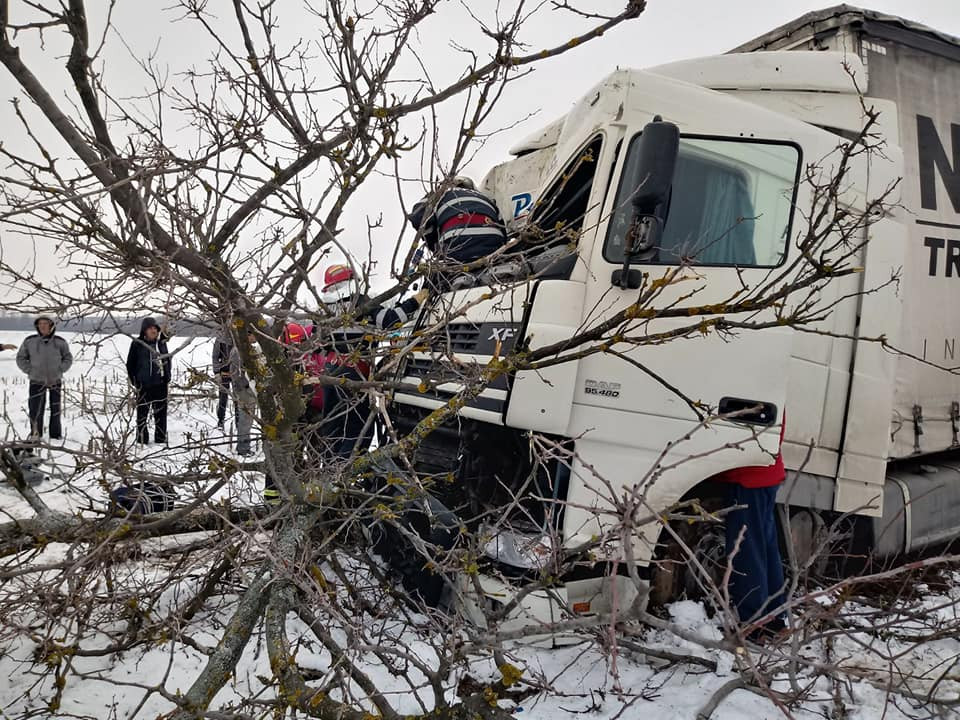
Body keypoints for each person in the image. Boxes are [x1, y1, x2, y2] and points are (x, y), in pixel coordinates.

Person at [716, 422, 788, 639]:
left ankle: (753, 623)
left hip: (747, 475)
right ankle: (774, 617)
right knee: (764, 546)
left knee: (747, 550)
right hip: (763, 472)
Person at [406, 176, 508, 265]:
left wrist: (433, 245)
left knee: (436, 281)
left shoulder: (440, 194)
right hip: (493, 245)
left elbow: (418, 217)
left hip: (456, 246)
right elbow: (504, 228)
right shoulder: (486, 199)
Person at [16, 316, 73, 440]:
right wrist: (29, 370)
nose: (42, 326)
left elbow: (68, 357)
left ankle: (56, 434)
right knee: (35, 409)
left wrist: (60, 369)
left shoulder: (60, 342)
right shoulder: (30, 341)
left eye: (45, 323)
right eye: (40, 324)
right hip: (36, 380)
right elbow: (20, 358)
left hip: (55, 380)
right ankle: (36, 434)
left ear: (51, 325)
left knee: (55, 408)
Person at [126, 317, 171, 445]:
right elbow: (130, 364)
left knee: (161, 415)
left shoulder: (161, 344)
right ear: (144, 330)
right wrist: (136, 381)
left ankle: (160, 439)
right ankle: (141, 439)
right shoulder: (137, 344)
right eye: (150, 328)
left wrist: (167, 376)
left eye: (155, 328)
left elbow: (167, 360)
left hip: (160, 385)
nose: (153, 331)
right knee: (142, 415)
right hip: (144, 386)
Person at [228, 331, 259, 457]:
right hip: (244, 390)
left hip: (249, 389)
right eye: (253, 335)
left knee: (248, 420)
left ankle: (245, 445)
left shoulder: (249, 349)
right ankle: (242, 447)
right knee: (245, 419)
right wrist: (244, 387)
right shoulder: (237, 351)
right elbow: (235, 373)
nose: (255, 337)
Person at [212, 332, 233, 429]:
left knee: (239, 400)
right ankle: (221, 421)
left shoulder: (239, 334)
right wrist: (216, 372)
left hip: (238, 373)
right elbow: (215, 356)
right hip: (223, 372)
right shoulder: (220, 338)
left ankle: (238, 422)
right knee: (223, 398)